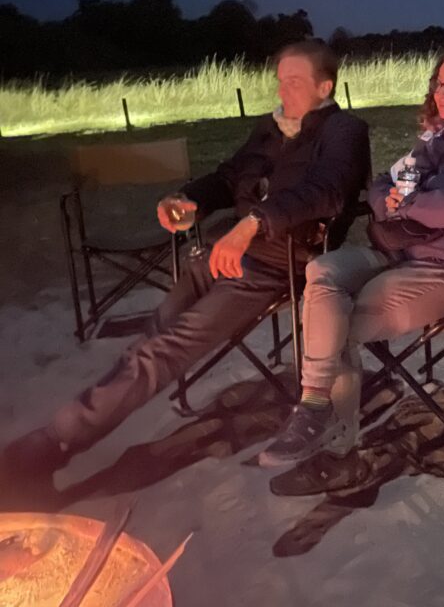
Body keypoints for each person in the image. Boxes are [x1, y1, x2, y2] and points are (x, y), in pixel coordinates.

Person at [1, 39, 371, 507]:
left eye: (294, 82)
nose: (283, 90)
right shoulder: (270, 128)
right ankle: (62, 442)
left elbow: (327, 190)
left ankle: (48, 448)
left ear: (325, 87)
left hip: (280, 261)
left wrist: (253, 224)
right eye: (280, 81)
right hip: (224, 251)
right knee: (153, 338)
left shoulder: (344, 130)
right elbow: (227, 177)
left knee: (163, 350)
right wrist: (188, 199)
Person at [258, 45, 444, 471]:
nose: (440, 93)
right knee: (321, 270)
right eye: (438, 84)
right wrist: (391, 203)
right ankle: (316, 408)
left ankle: (336, 443)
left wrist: (414, 204)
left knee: (334, 324)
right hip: (400, 251)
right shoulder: (438, 138)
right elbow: (384, 183)